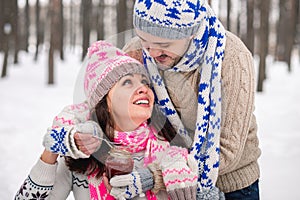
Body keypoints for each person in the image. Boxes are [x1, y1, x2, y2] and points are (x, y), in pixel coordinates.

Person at [14, 40, 198, 200]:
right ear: (105, 102)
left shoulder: (172, 155)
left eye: (145, 82)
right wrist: (51, 150)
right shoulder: (84, 155)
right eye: (127, 82)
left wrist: (156, 179)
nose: (143, 88)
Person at [121, 0, 261, 199]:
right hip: (159, 184)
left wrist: (160, 175)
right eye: (144, 40)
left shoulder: (231, 57)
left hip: (232, 186)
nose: (151, 53)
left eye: (163, 44)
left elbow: (228, 149)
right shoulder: (137, 51)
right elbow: (108, 106)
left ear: (191, 33)